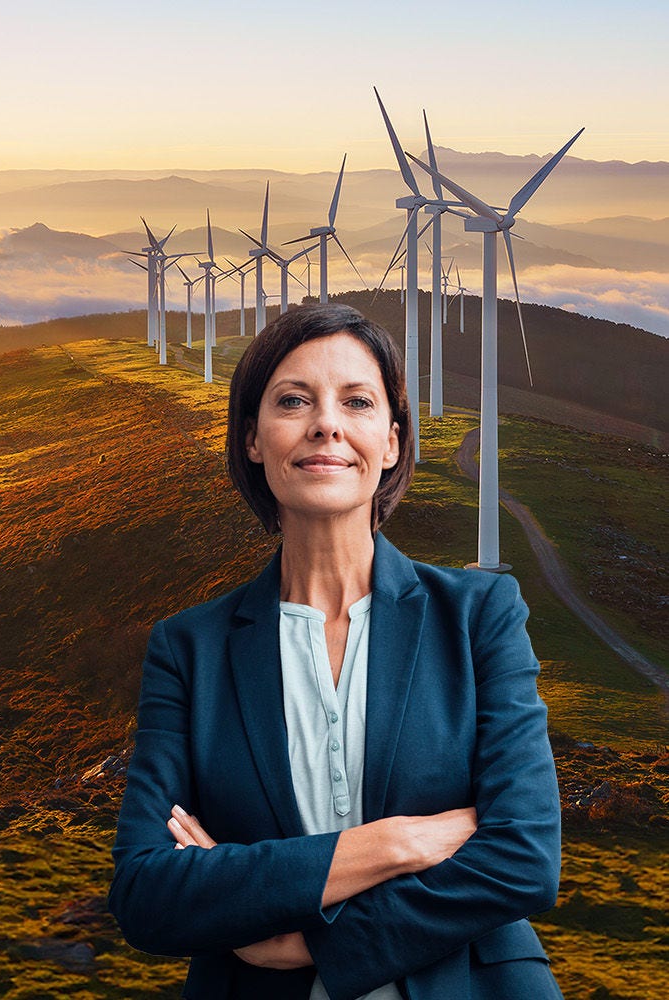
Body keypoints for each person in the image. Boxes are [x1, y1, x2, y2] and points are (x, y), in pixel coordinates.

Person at [107, 303, 562, 1000]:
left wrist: (306, 940)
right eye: (293, 401)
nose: (327, 424)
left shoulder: (479, 617)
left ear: (391, 441)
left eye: (357, 401)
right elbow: (147, 891)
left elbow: (525, 859)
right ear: (254, 439)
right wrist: (396, 844)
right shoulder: (188, 650)